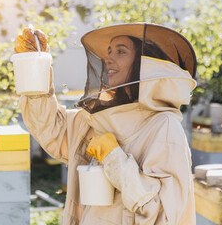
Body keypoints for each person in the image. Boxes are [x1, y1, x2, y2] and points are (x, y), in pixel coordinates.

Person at [16, 23, 197, 225]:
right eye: (109, 51)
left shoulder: (164, 126)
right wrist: (34, 66)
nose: (108, 58)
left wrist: (113, 158)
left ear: (144, 64)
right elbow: (50, 127)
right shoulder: (96, 119)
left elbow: (163, 212)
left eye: (121, 51)